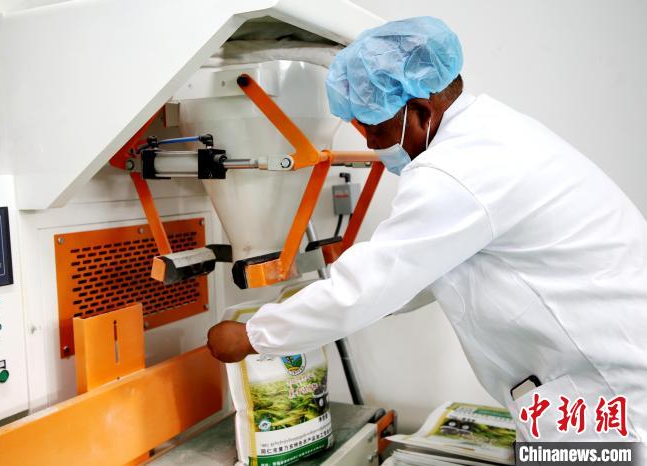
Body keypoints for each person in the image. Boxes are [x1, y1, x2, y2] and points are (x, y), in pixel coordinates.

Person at [207, 16, 647, 442]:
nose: (370, 144)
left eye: (374, 127)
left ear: (419, 110)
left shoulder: (455, 170)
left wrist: (252, 336)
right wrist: (328, 303)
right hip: (601, 384)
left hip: (610, 400)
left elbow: (370, 286)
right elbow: (417, 275)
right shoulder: (494, 134)